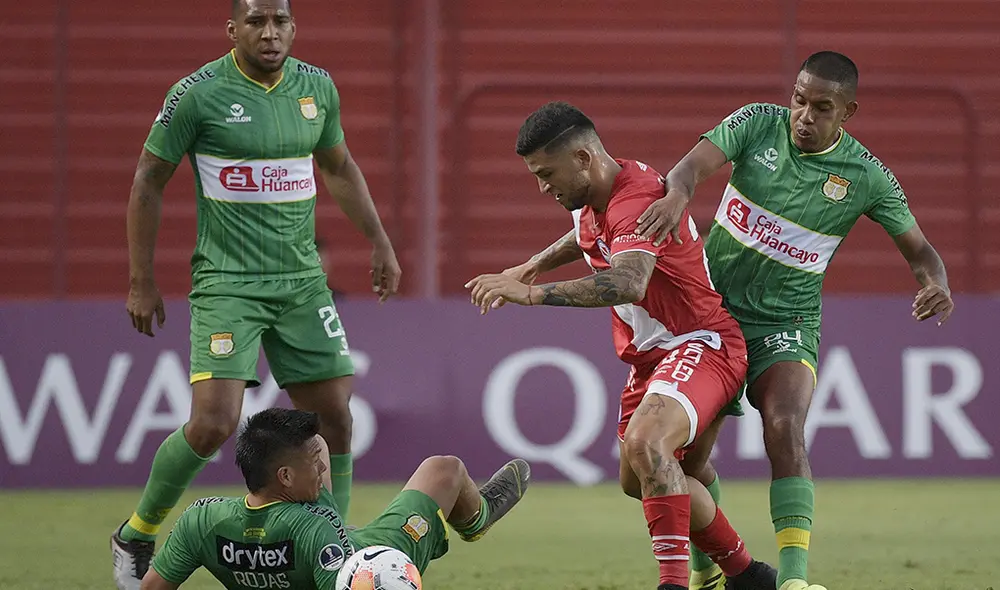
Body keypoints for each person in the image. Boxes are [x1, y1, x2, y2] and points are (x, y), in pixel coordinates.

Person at [633, 51, 955, 590]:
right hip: (711, 315)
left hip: (788, 320)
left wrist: (935, 283)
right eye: (799, 99)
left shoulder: (867, 177)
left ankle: (794, 581)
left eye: (822, 107)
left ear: (848, 112)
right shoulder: (757, 123)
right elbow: (688, 168)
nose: (804, 115)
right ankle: (708, 565)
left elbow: (921, 250)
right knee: (688, 460)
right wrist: (676, 196)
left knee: (784, 426)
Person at [114, 1, 403, 588]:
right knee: (214, 424)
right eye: (256, 22)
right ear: (233, 29)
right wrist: (141, 279)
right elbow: (149, 177)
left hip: (301, 285)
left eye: (279, 21)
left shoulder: (317, 87)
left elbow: (340, 166)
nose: (269, 33)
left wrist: (379, 240)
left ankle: (333, 549)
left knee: (335, 421)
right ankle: (138, 532)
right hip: (228, 284)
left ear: (293, 27)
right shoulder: (197, 95)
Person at [465, 102, 776, 590]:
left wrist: (531, 293)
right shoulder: (600, 195)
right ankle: (747, 574)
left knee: (646, 444)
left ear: (585, 158)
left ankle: (674, 584)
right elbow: (585, 235)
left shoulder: (635, 198)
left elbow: (630, 281)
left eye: (547, 174)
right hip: (652, 358)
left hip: (702, 342)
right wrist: (533, 264)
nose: (543, 187)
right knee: (642, 478)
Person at [139, 408, 531, 590]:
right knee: (444, 469)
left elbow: (153, 588)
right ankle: (476, 519)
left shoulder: (200, 519)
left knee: (319, 442)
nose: (325, 470)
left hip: (305, 531)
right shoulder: (315, 527)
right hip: (364, 550)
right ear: (286, 477)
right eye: (315, 465)